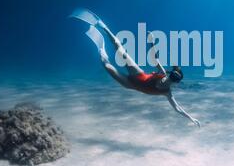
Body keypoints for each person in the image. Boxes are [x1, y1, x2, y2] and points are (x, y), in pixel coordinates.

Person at [70, 8, 201, 127]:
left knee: (106, 65)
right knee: (120, 49)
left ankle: (101, 47)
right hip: (138, 74)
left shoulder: (167, 93)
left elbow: (177, 108)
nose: (168, 79)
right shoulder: (162, 73)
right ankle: (102, 25)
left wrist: (191, 118)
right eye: (170, 75)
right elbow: (155, 58)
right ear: (169, 73)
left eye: (172, 79)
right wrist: (151, 42)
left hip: (129, 84)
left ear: (174, 83)